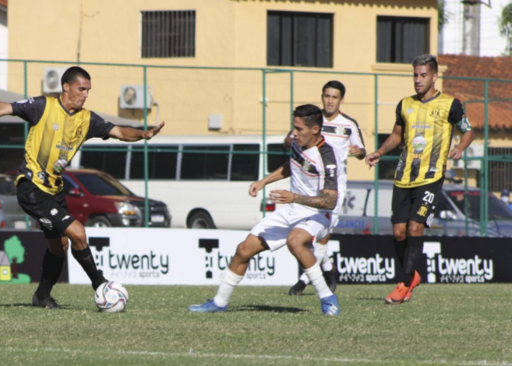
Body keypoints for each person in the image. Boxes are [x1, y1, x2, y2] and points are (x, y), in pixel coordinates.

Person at [0, 66, 165, 309]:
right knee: (78, 233)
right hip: (32, 188)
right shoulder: (42, 106)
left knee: (60, 246)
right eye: (82, 89)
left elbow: (119, 131)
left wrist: (142, 133)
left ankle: (42, 296)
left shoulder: (87, 119)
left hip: (54, 189)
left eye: (88, 90)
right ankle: (101, 285)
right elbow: (4, 108)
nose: (85, 94)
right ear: (66, 87)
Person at [188, 104, 341, 316]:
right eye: (293, 128)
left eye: (298, 129)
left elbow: (330, 201)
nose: (293, 133)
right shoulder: (298, 143)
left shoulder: (327, 157)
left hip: (317, 214)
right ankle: (219, 302)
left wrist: (294, 197)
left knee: (295, 241)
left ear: (315, 130)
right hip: (292, 209)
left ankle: (327, 298)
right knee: (243, 250)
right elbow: (292, 165)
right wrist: (263, 181)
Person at [365, 54, 474, 305]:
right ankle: (411, 275)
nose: (417, 80)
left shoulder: (451, 104)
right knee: (398, 231)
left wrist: (460, 147)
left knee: (415, 227)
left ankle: (403, 285)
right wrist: (380, 152)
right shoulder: (405, 104)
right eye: (415, 75)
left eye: (423, 75)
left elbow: (468, 130)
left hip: (431, 177)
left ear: (435, 76)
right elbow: (396, 135)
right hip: (403, 176)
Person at [287, 80, 366, 296]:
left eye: (335, 97)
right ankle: (328, 269)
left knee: (323, 234)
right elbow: (290, 140)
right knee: (304, 237)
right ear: (322, 97)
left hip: (332, 188)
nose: (330, 100)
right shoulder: (311, 119)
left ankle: (303, 281)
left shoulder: (349, 124)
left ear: (341, 100)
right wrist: (289, 140)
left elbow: (362, 153)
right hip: (305, 184)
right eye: (327, 96)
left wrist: (358, 152)